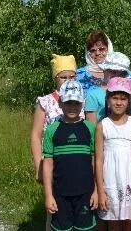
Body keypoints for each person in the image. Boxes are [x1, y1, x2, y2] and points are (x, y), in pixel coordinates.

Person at [42, 80, 98, 231]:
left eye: (76, 103)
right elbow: (47, 164)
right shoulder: (52, 130)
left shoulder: (91, 129)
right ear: (60, 103)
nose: (72, 107)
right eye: (68, 103)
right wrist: (48, 195)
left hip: (86, 194)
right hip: (61, 194)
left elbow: (95, 162)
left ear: (82, 103)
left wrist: (97, 191)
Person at [96, 77, 131, 229]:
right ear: (107, 99)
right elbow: (99, 160)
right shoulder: (102, 126)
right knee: (113, 224)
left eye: (123, 99)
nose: (119, 103)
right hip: (111, 181)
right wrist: (100, 190)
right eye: (115, 98)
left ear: (128, 100)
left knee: (130, 224)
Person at [32, 54, 78, 184]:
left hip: (77, 159)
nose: (68, 80)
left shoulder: (82, 101)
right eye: (63, 77)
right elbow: (36, 135)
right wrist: (38, 166)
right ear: (55, 78)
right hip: (53, 160)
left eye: (72, 76)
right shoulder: (45, 102)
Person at [86, 52, 131, 123]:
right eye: (112, 71)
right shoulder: (93, 95)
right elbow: (91, 126)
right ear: (104, 70)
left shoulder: (128, 92)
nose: (117, 75)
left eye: (121, 73)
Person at [78, 31, 115, 95]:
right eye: (93, 50)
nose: (97, 53)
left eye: (101, 49)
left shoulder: (122, 73)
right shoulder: (79, 75)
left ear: (109, 49)